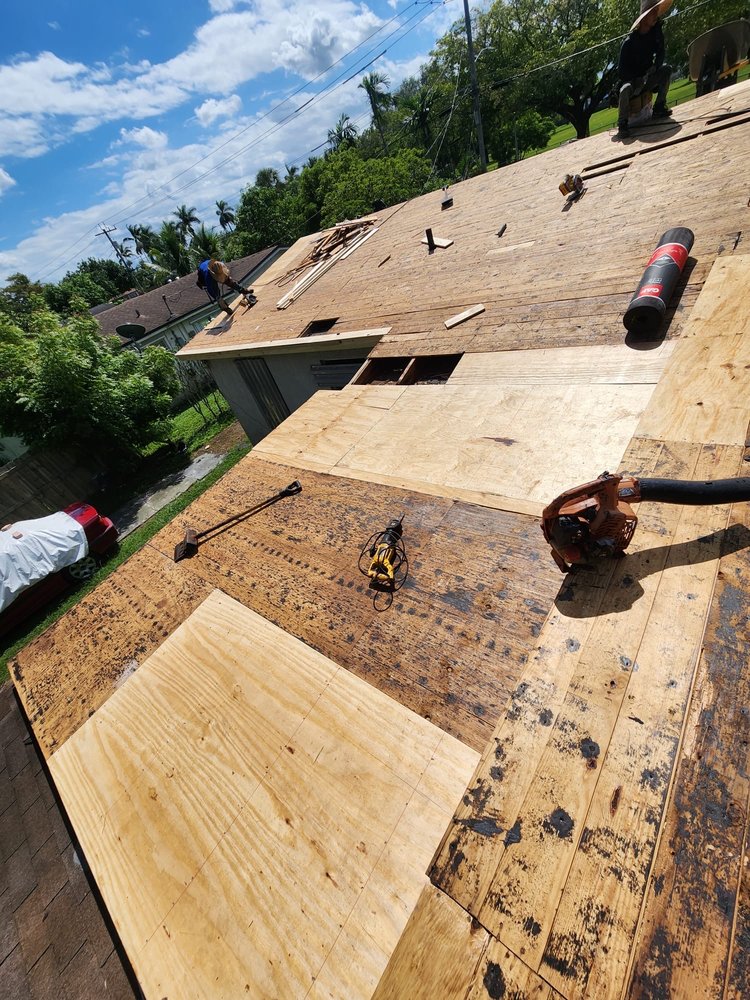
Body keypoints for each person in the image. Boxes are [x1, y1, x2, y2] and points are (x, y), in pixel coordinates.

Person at [617, 0, 673, 139]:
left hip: (648, 77)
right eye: (652, 12)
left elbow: (661, 53)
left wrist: (655, 66)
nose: (655, 15)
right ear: (643, 18)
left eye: (656, 12)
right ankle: (622, 123)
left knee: (666, 70)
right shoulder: (629, 43)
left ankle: (659, 107)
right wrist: (636, 79)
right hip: (633, 81)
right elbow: (622, 71)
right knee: (624, 90)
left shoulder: (655, 34)